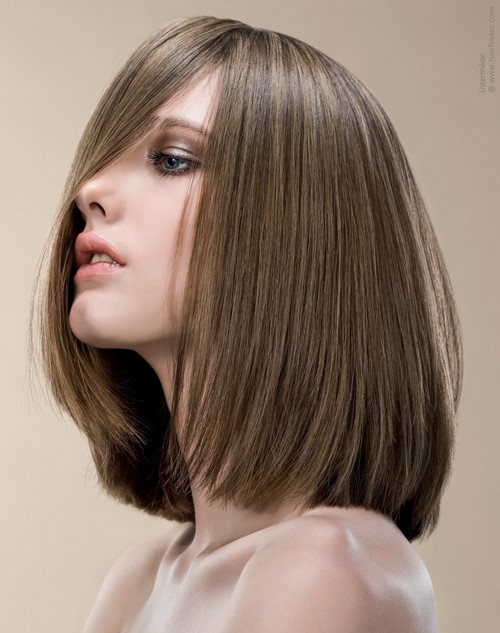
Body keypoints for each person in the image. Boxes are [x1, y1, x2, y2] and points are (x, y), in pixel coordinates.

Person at [30, 15, 463, 633]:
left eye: (172, 160)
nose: (89, 189)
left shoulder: (322, 570)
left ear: (297, 229)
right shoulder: (139, 582)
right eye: (105, 157)